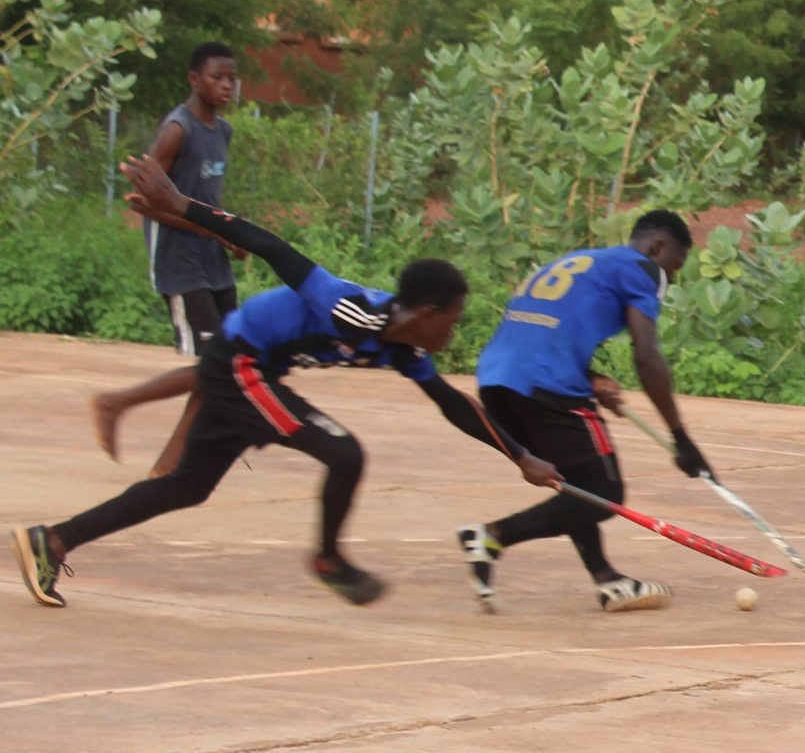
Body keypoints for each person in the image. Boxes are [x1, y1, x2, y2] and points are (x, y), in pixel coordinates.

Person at [11, 157, 559, 610]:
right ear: (427, 312)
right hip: (241, 362)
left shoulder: (404, 345)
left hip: (257, 372)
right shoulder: (353, 311)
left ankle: (54, 540)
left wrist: (519, 457)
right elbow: (274, 248)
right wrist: (183, 207)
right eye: (454, 320)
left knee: (186, 486)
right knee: (344, 453)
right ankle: (328, 559)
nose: (454, 331)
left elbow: (451, 403)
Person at [456, 212, 709, 612]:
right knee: (604, 492)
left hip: (497, 378)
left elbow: (547, 325)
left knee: (579, 483)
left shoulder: (586, 260)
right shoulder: (644, 269)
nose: (671, 279)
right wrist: (680, 436)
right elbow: (647, 356)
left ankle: (607, 580)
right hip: (546, 381)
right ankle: (492, 535)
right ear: (658, 247)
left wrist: (591, 377)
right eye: (674, 266)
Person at [98, 42, 242, 479]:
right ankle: (121, 410)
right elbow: (145, 202)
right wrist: (213, 230)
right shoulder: (176, 130)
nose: (226, 85)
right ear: (194, 80)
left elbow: (207, 199)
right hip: (180, 261)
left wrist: (229, 234)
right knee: (215, 364)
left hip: (213, 258)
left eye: (231, 78)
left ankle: (171, 459)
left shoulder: (223, 131)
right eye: (217, 77)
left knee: (232, 358)